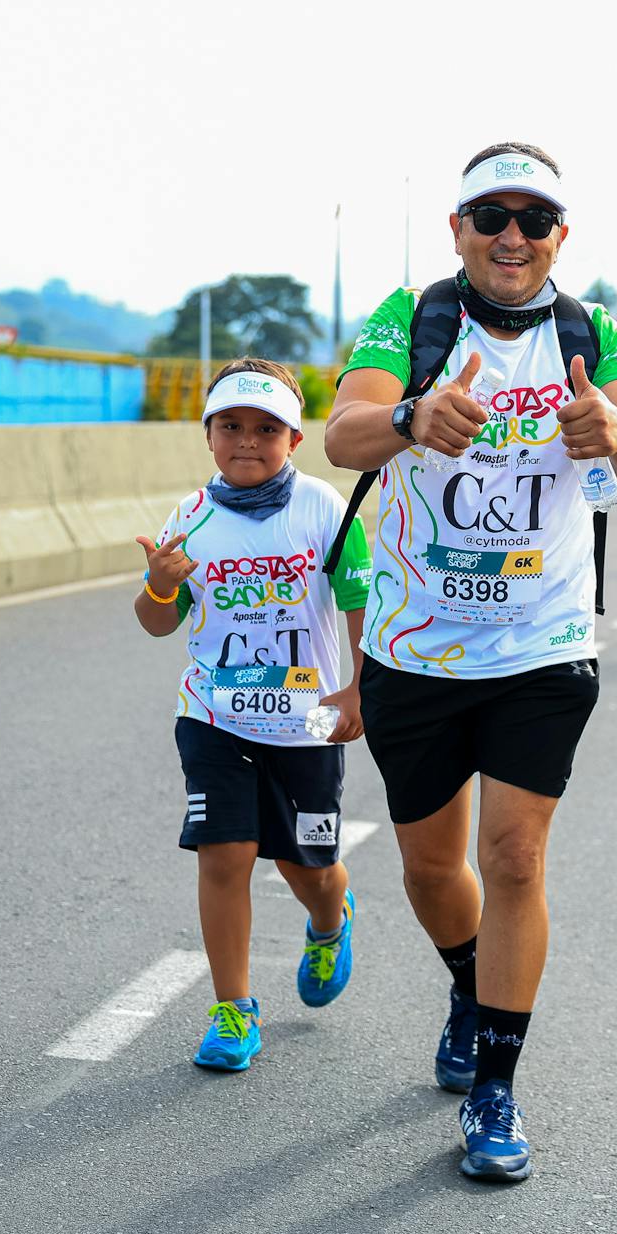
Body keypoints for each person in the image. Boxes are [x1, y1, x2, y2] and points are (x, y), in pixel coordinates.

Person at [324, 141, 617, 1182]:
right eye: (490, 216)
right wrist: (408, 415)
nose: (510, 235)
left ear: (561, 235)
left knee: (515, 857)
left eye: (532, 218)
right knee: (432, 866)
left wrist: (609, 423)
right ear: (457, 229)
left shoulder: (591, 331)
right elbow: (339, 436)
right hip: (414, 644)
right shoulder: (411, 317)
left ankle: (495, 1085)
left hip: (543, 639)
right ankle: (468, 983)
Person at [134, 359, 372, 1072]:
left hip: (308, 720)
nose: (247, 440)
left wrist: (361, 686)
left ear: (294, 438)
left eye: (266, 427)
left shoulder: (325, 508)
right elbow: (155, 623)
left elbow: (360, 595)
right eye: (231, 425)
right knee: (226, 852)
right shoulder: (189, 518)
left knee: (308, 866)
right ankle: (233, 1008)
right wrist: (157, 585)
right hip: (213, 713)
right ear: (208, 435)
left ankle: (331, 919)